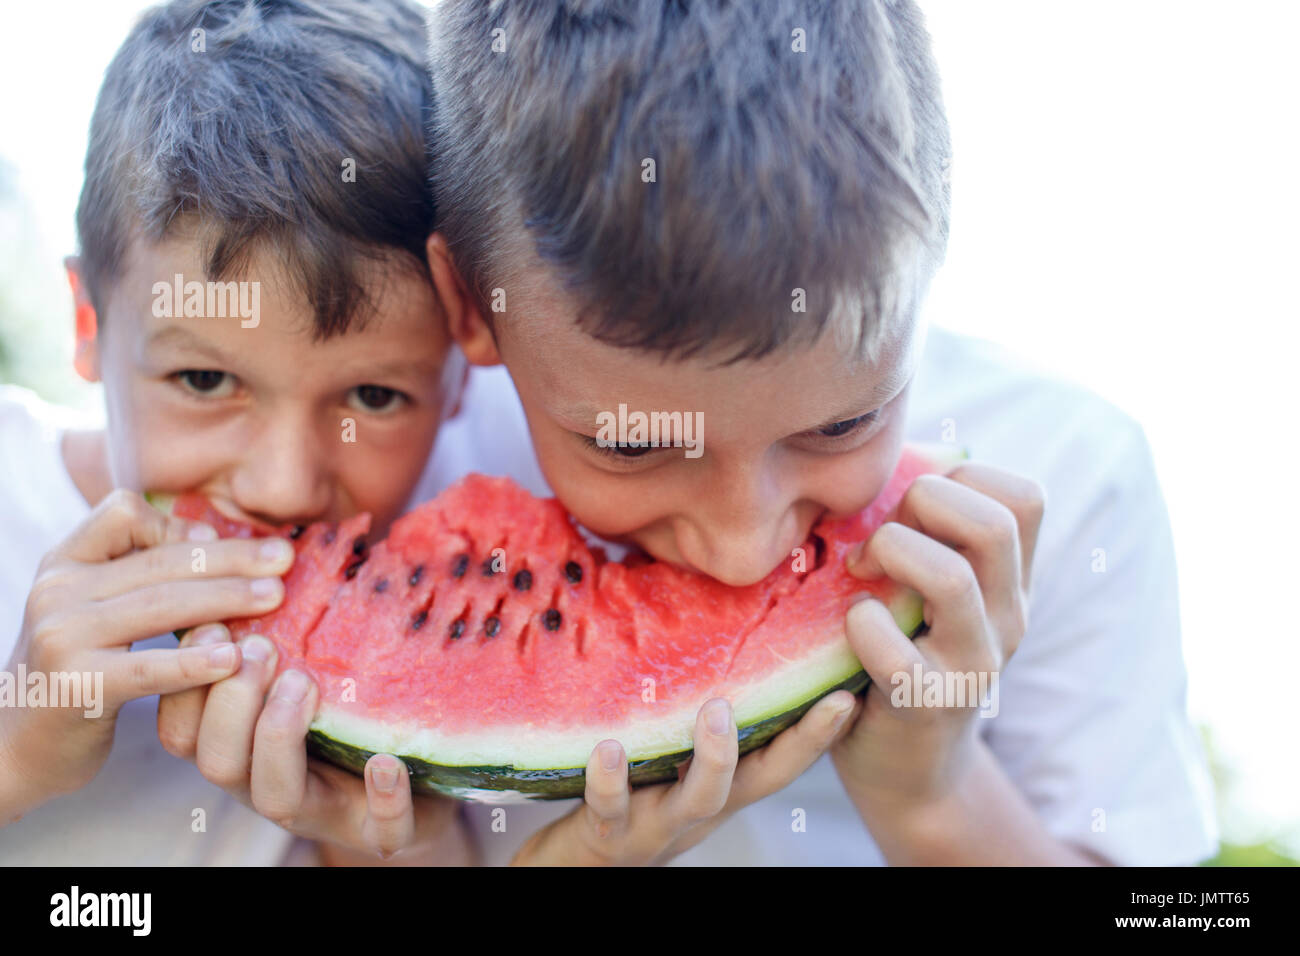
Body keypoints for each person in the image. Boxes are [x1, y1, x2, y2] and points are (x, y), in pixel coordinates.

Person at [409, 0, 1219, 864]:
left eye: (843, 424)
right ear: (469, 305)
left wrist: (932, 793)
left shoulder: (1074, 467)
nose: (742, 552)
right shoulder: (401, 451)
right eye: (632, 445)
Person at [0, 0, 471, 865]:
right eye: (206, 380)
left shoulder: (461, 558)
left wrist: (408, 842)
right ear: (88, 324)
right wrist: (13, 755)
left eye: (372, 396)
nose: (285, 486)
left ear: (462, 370)